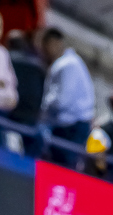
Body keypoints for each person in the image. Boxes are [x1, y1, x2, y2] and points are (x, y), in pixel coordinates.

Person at [41, 27, 95, 169]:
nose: (44, 51)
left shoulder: (67, 65)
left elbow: (62, 100)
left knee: (62, 168)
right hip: (71, 126)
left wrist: (44, 105)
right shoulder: (70, 63)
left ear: (54, 43)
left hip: (71, 127)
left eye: (46, 46)